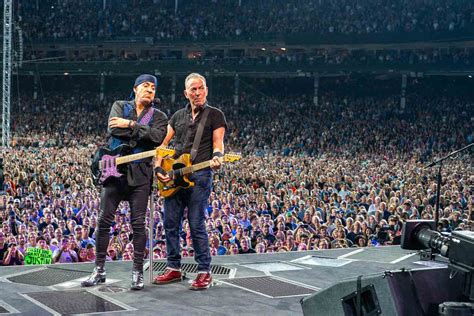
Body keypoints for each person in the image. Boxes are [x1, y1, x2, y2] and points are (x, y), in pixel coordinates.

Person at [82, 74, 167, 290]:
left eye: (153, 88)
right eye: (145, 86)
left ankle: (138, 271)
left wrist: (129, 124)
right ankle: (99, 270)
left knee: (138, 224)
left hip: (140, 173)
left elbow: (157, 138)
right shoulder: (119, 106)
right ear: (135, 89)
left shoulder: (159, 116)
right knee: (103, 220)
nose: (150, 90)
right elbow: (113, 129)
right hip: (113, 167)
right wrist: (140, 131)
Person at [153, 73, 227, 290]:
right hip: (175, 175)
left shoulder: (215, 115)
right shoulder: (177, 116)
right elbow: (162, 146)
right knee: (170, 224)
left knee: (196, 223)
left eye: (201, 88)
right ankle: (174, 267)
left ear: (206, 90)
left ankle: (204, 271)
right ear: (186, 93)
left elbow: (218, 143)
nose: (197, 93)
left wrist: (218, 157)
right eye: (193, 90)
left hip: (199, 175)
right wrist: (158, 167)